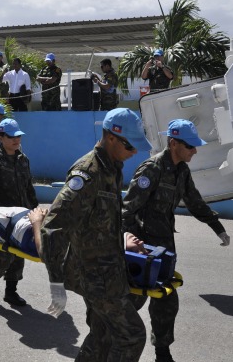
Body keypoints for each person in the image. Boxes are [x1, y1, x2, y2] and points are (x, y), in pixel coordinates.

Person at [40, 107, 152, 361]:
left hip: (110, 272)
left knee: (102, 336)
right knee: (131, 335)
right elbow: (53, 227)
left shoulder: (112, 167)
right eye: (130, 146)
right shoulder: (88, 173)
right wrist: (56, 283)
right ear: (111, 137)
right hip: (94, 277)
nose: (134, 152)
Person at [122, 118, 231, 362]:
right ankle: (107, 340)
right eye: (190, 146)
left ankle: (162, 352)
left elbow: (194, 201)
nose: (195, 150)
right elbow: (127, 211)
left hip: (164, 249)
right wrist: (131, 244)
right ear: (173, 143)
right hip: (142, 249)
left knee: (166, 302)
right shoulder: (151, 170)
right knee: (130, 302)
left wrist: (217, 227)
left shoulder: (181, 171)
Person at [0, 118, 38, 306]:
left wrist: (35, 208)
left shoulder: (23, 159)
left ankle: (11, 291)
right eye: (11, 137)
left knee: (19, 254)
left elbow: (29, 187)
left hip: (22, 215)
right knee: (4, 255)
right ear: (0, 137)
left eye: (18, 136)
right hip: (3, 217)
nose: (16, 140)